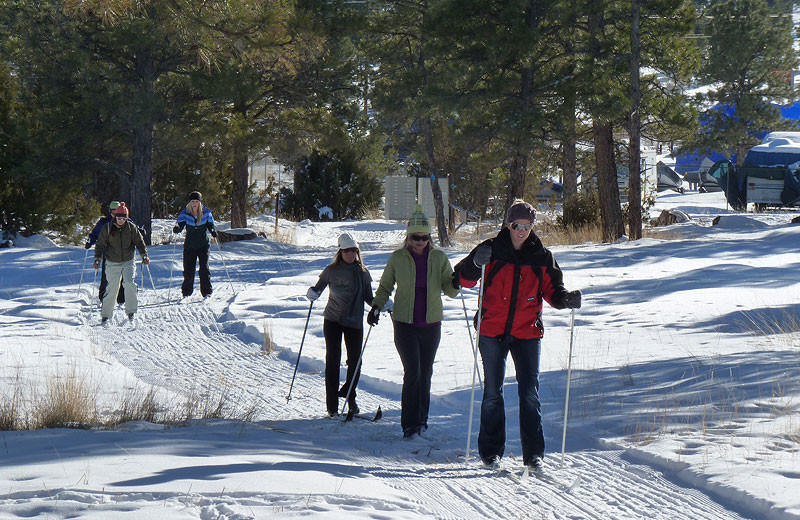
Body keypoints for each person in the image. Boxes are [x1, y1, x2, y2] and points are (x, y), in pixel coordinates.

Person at [454, 199, 581, 471]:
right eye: (516, 225)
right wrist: (475, 264)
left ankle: (534, 455)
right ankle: (491, 453)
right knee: (492, 393)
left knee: (530, 394)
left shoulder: (542, 256)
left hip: (527, 333)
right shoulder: (490, 250)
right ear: (508, 225)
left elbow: (553, 292)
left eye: (526, 225)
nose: (521, 230)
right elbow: (462, 280)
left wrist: (566, 299)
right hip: (492, 331)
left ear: (532, 226)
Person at [370, 205, 460, 439]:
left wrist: (459, 282)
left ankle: (422, 419)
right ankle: (409, 424)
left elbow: (449, 290)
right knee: (413, 372)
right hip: (404, 324)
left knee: (426, 372)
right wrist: (376, 306)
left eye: (425, 237)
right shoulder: (398, 258)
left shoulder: (439, 258)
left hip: (431, 325)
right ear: (408, 237)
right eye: (416, 237)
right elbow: (385, 286)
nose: (420, 241)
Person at [307, 233, 378, 417]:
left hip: (354, 321)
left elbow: (369, 298)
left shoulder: (363, 272)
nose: (350, 253)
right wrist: (312, 293)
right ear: (340, 251)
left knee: (355, 362)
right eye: (346, 250)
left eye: (353, 250)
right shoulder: (331, 270)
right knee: (333, 360)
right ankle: (332, 407)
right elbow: (318, 289)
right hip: (333, 320)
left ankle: (349, 394)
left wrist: (380, 305)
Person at [93, 202, 150, 324]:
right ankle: (106, 315)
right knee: (112, 287)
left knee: (129, 283)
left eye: (123, 218)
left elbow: (139, 242)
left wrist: (144, 255)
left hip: (128, 261)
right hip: (112, 262)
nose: (121, 221)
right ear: (115, 217)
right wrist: (97, 258)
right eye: (119, 218)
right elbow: (100, 245)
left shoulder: (131, 228)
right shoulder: (107, 228)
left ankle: (131, 312)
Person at [173, 191, 217, 299]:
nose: (194, 203)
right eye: (193, 201)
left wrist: (212, 231)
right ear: (190, 202)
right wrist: (178, 228)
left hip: (203, 245)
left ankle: (207, 292)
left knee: (204, 269)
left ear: (200, 202)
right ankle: (186, 292)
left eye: (197, 201)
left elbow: (211, 224)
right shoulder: (185, 213)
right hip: (190, 246)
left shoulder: (206, 213)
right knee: (188, 269)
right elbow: (180, 223)